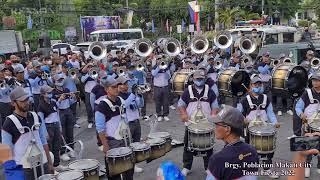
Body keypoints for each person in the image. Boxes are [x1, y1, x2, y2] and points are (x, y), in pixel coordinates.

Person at [1, 87, 53, 179]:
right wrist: (14, 175)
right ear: (13, 103)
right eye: (22, 101)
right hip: (24, 169)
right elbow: (5, 153)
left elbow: (43, 141)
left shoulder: (35, 116)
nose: (26, 102)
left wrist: (49, 163)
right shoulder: (8, 123)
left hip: (42, 163)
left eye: (27, 99)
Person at [177, 70, 219, 176]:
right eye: (197, 79)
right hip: (191, 124)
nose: (199, 81)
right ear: (193, 79)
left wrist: (213, 115)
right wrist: (183, 114)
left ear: (204, 79)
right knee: (188, 146)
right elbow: (181, 104)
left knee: (208, 147)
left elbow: (215, 106)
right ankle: (186, 167)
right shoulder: (188, 91)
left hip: (206, 125)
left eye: (201, 79)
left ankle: (208, 168)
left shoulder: (210, 91)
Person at [237, 75, 280, 179]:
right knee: (248, 151)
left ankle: (267, 169)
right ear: (251, 85)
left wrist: (275, 122)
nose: (258, 86)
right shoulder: (244, 99)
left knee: (268, 149)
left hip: (264, 128)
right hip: (250, 129)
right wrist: (243, 119)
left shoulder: (265, 98)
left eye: (259, 84)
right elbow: (237, 113)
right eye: (255, 84)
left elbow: (270, 113)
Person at [95, 76, 134, 180]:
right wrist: (105, 145)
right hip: (112, 142)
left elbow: (124, 119)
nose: (117, 88)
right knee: (114, 172)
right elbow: (100, 128)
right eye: (113, 87)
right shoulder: (102, 106)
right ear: (107, 89)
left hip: (124, 139)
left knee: (129, 168)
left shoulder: (120, 100)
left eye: (117, 86)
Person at [207, 106, 259, 180]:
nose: (214, 128)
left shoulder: (217, 159)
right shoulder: (252, 151)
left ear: (227, 129)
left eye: (217, 125)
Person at [295, 71, 320, 177]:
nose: (315, 82)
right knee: (308, 146)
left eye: (317, 80)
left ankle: (319, 166)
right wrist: (301, 114)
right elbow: (298, 107)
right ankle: (307, 166)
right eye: (313, 80)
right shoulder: (307, 93)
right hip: (308, 125)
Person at [117, 76, 144, 173]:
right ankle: (128, 165)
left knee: (136, 144)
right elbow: (124, 105)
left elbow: (140, 105)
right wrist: (133, 94)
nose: (126, 86)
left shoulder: (130, 94)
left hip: (136, 121)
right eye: (123, 84)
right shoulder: (118, 97)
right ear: (118, 86)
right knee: (128, 145)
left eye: (126, 84)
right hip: (127, 124)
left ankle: (134, 164)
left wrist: (140, 96)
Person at [37, 85, 66, 171]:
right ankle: (51, 167)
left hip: (56, 125)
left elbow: (56, 113)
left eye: (51, 92)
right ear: (43, 94)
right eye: (48, 93)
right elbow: (41, 120)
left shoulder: (53, 102)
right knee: (50, 148)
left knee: (57, 146)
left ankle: (57, 164)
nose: (50, 94)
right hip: (48, 127)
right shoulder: (41, 106)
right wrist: (44, 132)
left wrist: (59, 125)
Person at [52, 73, 77, 162]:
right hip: (60, 113)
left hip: (68, 110)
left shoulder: (66, 89)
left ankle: (71, 149)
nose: (61, 81)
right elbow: (54, 106)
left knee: (70, 131)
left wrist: (73, 97)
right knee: (62, 134)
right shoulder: (53, 93)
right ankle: (63, 152)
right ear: (55, 82)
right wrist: (60, 99)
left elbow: (71, 101)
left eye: (61, 80)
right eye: (59, 80)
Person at [151, 56, 171, 122]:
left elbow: (169, 77)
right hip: (157, 87)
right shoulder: (154, 67)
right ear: (156, 60)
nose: (159, 61)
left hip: (165, 87)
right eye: (158, 59)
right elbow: (153, 74)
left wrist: (165, 70)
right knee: (158, 102)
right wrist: (158, 68)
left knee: (166, 101)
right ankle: (159, 115)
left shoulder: (166, 67)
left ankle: (165, 115)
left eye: (160, 59)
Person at [81, 63, 98, 128]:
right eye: (89, 67)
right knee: (88, 107)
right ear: (87, 68)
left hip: (96, 92)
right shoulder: (85, 75)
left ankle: (96, 120)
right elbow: (82, 81)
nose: (90, 68)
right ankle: (90, 121)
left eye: (91, 67)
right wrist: (88, 74)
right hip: (88, 92)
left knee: (96, 106)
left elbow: (98, 80)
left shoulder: (95, 73)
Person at [0, 64, 14, 142]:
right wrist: (8, 85)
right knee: (4, 126)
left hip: (10, 104)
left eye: (3, 71)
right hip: (2, 105)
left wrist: (11, 84)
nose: (2, 73)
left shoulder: (6, 80)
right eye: (0, 71)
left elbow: (12, 92)